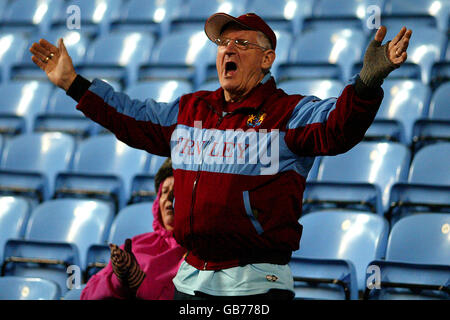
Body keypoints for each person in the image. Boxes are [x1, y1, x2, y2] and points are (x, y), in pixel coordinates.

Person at [30, 12, 412, 300]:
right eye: (223, 44)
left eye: (242, 44)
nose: (228, 49)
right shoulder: (192, 110)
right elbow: (131, 117)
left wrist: (366, 83)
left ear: (267, 59)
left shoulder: (286, 113)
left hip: (256, 282)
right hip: (192, 277)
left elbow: (338, 128)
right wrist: (73, 84)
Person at [80, 158, 187, 300]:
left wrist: (139, 283)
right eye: (164, 192)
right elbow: (88, 294)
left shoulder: (200, 254)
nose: (168, 198)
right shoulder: (136, 244)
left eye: (176, 192)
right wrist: (118, 280)